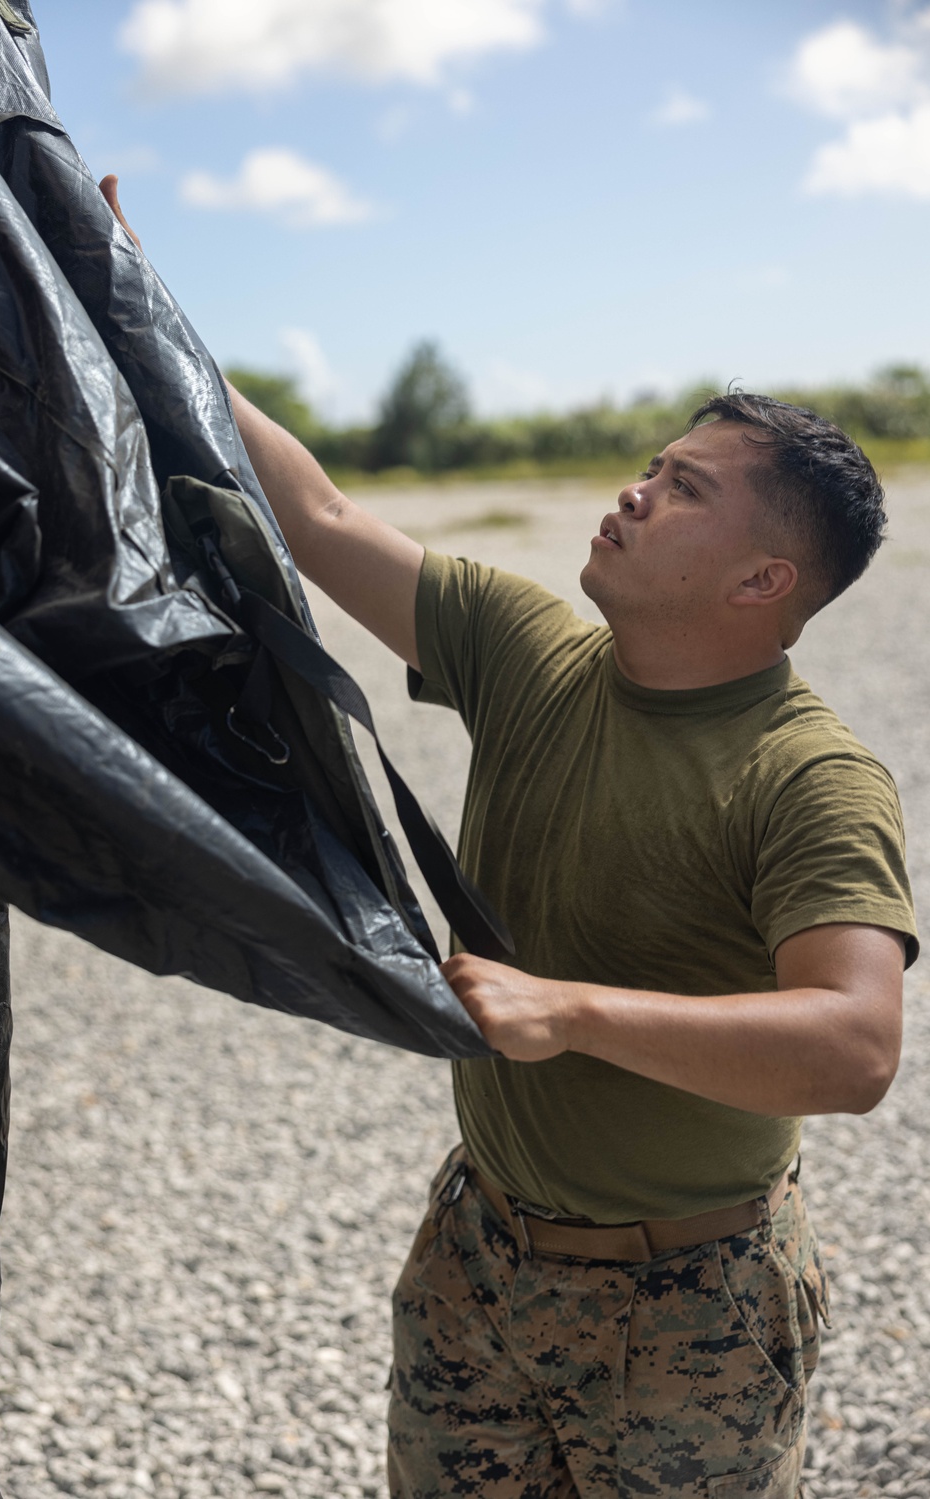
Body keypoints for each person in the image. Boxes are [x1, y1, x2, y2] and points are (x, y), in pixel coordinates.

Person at [100, 177, 918, 1499]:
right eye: (654, 466)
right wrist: (135, 296)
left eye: (686, 489)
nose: (636, 492)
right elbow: (320, 520)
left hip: (691, 1307)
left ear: (764, 582)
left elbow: (855, 1046)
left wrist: (571, 1010)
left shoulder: (808, 776)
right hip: (479, 1257)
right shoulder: (534, 655)